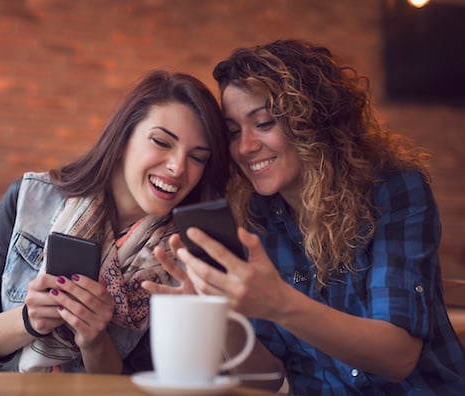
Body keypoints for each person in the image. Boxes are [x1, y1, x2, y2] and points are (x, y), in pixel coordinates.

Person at [143, 40, 465, 394]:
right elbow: (263, 380)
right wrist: (218, 315)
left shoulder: (393, 188)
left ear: (313, 120)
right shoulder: (256, 214)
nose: (246, 146)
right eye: (234, 132)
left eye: (264, 122)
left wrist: (281, 304)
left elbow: (397, 357)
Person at [0, 70, 230, 374]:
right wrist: (29, 320)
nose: (178, 167)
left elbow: (145, 384)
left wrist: (95, 339)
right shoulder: (30, 198)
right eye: (162, 142)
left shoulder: (182, 259)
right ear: (123, 139)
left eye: (198, 158)